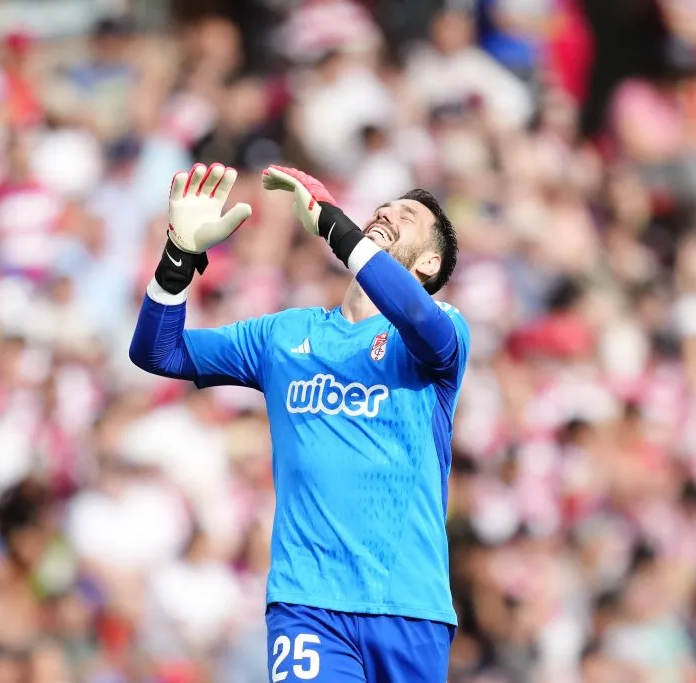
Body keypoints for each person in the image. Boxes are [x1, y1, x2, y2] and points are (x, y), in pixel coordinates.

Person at [129, 162, 469, 682]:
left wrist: (337, 227)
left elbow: (418, 319)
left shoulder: (441, 329)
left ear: (428, 263)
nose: (385, 212)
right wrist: (178, 256)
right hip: (306, 602)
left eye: (407, 215)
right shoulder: (285, 337)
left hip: (409, 604)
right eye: (384, 206)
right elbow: (159, 352)